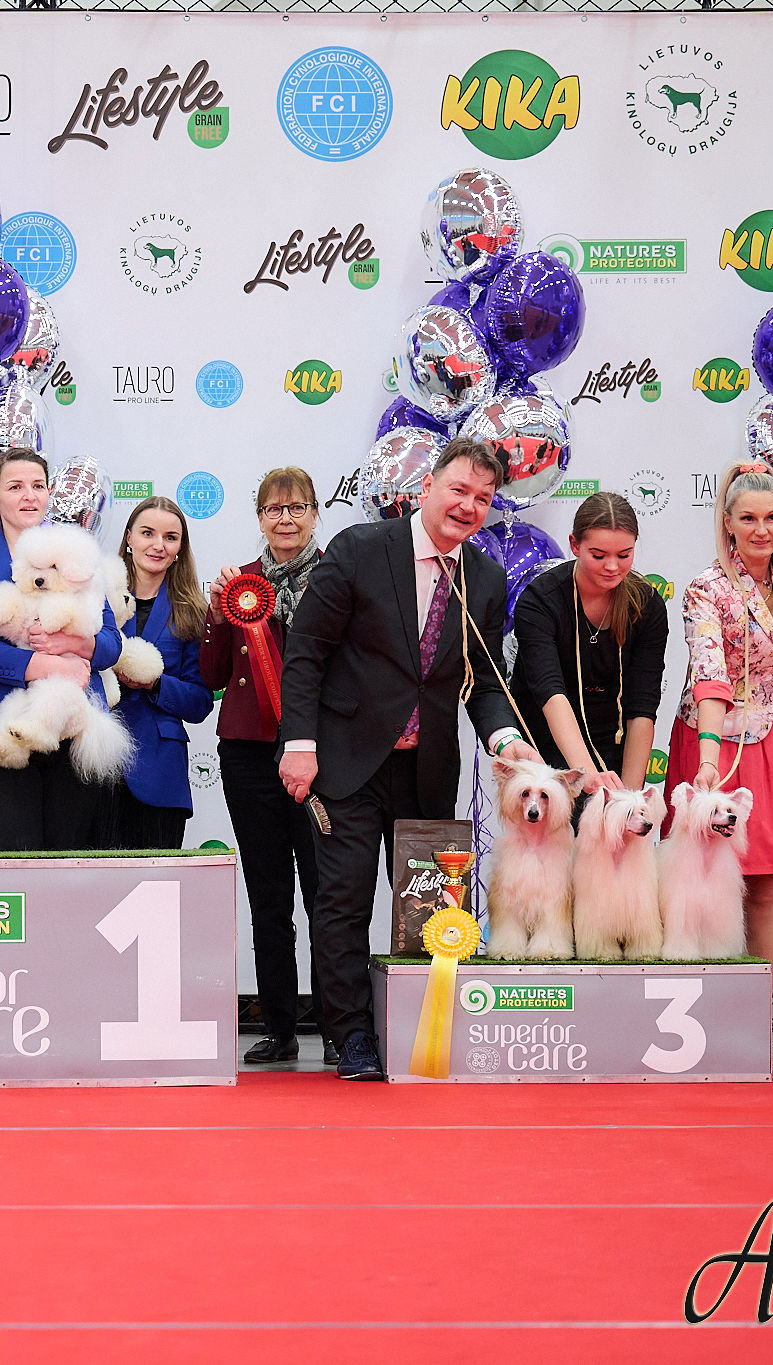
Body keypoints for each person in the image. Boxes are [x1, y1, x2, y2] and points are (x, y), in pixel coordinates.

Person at [276, 438, 541, 1080]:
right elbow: (306, 652)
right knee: (342, 903)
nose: (469, 506)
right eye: (459, 490)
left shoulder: (485, 578)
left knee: (431, 911)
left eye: (483, 498)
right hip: (345, 764)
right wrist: (300, 744)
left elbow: (482, 682)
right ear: (427, 487)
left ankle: (420, 1032)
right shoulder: (360, 549)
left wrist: (507, 742)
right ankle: (351, 1036)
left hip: (427, 771)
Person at [664, 461, 773, 1075]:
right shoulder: (706, 588)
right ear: (727, 523)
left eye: (772, 517)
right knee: (700, 886)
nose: (761, 530)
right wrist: (707, 760)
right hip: (715, 741)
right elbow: (710, 675)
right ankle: (690, 1028)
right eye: (748, 518)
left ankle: (756, 1027)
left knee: (765, 887)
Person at [200, 467, 327, 1066]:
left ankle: (340, 1025)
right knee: (268, 895)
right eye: (274, 509)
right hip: (249, 754)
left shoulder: (338, 578)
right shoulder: (239, 587)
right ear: (259, 518)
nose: (286, 519)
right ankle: (279, 1026)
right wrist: (216, 618)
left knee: (328, 895)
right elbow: (211, 676)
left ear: (315, 515)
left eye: (297, 507)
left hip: (320, 755)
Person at [0, 448, 122, 851]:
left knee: (68, 867)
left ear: (49, 493)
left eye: (38, 486)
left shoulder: (78, 556)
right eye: (15, 487)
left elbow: (111, 643)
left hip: (74, 732)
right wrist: (43, 665)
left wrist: (76, 643)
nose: (29, 495)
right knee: (13, 867)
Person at [510, 491, 669, 808]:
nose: (612, 566)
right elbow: (550, 693)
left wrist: (629, 800)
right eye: (598, 555)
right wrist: (587, 777)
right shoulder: (540, 600)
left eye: (624, 555)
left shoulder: (647, 605)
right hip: (544, 749)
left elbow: (642, 707)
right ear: (574, 545)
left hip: (613, 741)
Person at [105, 495, 213, 849]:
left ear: (180, 549)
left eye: (170, 537)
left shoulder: (193, 612)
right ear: (129, 538)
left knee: (157, 882)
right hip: (94, 764)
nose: (158, 545)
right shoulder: (95, 600)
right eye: (148, 533)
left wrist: (154, 683)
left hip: (159, 771)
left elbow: (200, 702)